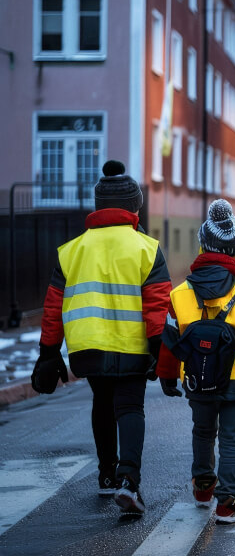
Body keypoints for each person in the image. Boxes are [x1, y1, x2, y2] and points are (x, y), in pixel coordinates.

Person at [32, 160, 171, 517]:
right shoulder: (147, 248)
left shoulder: (71, 250)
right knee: (130, 407)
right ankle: (129, 481)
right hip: (132, 347)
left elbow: (53, 306)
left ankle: (107, 475)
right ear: (134, 207)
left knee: (102, 403)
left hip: (88, 348)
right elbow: (158, 305)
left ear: (99, 206)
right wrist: (162, 350)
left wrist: (48, 352)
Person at [157, 199, 235, 525]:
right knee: (232, 439)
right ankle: (228, 503)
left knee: (203, 431)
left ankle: (203, 487)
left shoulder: (180, 295)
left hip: (197, 377)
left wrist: (167, 375)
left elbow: (170, 341)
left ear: (203, 245)